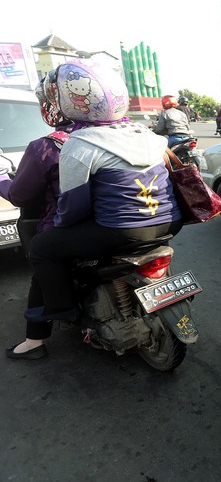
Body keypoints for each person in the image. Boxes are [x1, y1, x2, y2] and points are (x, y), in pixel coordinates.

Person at [13, 60, 182, 351]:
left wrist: (60, 230)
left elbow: (72, 206)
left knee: (42, 247)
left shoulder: (79, 143)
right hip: (171, 223)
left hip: (121, 231)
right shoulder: (146, 134)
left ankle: (64, 310)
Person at [2, 74, 74, 359]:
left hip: (70, 226)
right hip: (147, 218)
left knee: (41, 259)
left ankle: (35, 339)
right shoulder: (126, 132)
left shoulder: (48, 145)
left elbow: (20, 196)